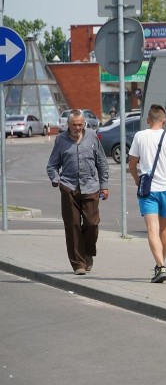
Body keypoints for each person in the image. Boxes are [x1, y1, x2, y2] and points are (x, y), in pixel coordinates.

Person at [46, 109, 110, 275]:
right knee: (73, 226)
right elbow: (52, 165)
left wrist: (104, 185)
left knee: (92, 223)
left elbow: (101, 163)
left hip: (90, 186)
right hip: (69, 187)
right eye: (74, 125)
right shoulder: (61, 140)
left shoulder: (92, 136)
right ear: (68, 125)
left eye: (81, 124)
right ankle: (78, 264)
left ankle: (88, 253)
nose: (78, 128)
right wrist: (56, 180)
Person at [128, 104, 166, 283]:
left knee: (152, 229)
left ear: (147, 120)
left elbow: (131, 164)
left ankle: (160, 266)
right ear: (164, 120)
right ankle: (161, 263)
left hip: (148, 190)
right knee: (164, 229)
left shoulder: (139, 136)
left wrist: (137, 180)